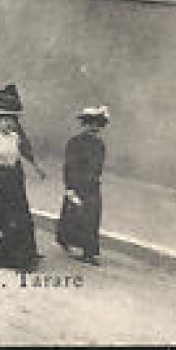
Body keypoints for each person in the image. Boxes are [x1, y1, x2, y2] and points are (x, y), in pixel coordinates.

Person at [0, 85, 46, 270]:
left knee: (19, 218)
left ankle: (22, 255)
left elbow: (18, 154)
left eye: (12, 119)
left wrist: (35, 167)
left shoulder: (14, 137)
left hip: (11, 182)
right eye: (4, 120)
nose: (9, 123)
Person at [56, 105, 110, 266]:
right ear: (84, 125)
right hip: (77, 182)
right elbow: (69, 166)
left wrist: (94, 178)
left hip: (92, 184)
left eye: (97, 125)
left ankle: (89, 252)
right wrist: (70, 187)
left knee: (92, 215)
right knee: (73, 213)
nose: (93, 128)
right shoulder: (75, 142)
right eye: (90, 124)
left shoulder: (99, 144)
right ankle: (65, 239)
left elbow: (98, 165)